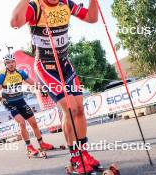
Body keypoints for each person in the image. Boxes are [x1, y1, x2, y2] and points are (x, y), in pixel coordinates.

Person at [10, 0, 99, 173]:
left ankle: (84, 154)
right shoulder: (35, 5)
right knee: (71, 109)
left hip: (65, 65)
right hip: (46, 66)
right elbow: (15, 23)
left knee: (79, 109)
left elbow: (91, 17)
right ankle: (75, 157)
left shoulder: (66, 3)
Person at [0, 53, 54, 156]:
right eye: (8, 63)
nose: (11, 64)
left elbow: (32, 83)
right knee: (21, 123)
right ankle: (29, 147)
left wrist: (41, 89)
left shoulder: (20, 73)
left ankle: (41, 143)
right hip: (9, 103)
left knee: (33, 123)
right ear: (5, 65)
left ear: (15, 62)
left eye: (12, 62)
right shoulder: (2, 76)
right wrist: (0, 99)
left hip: (21, 101)